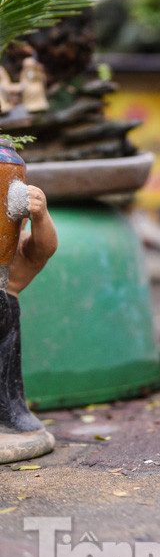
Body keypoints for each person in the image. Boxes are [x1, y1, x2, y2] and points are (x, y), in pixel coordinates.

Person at [0, 185, 58, 464]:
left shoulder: (17, 248)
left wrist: (40, 214)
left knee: (5, 386)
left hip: (3, 315)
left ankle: (11, 421)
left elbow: (44, 248)